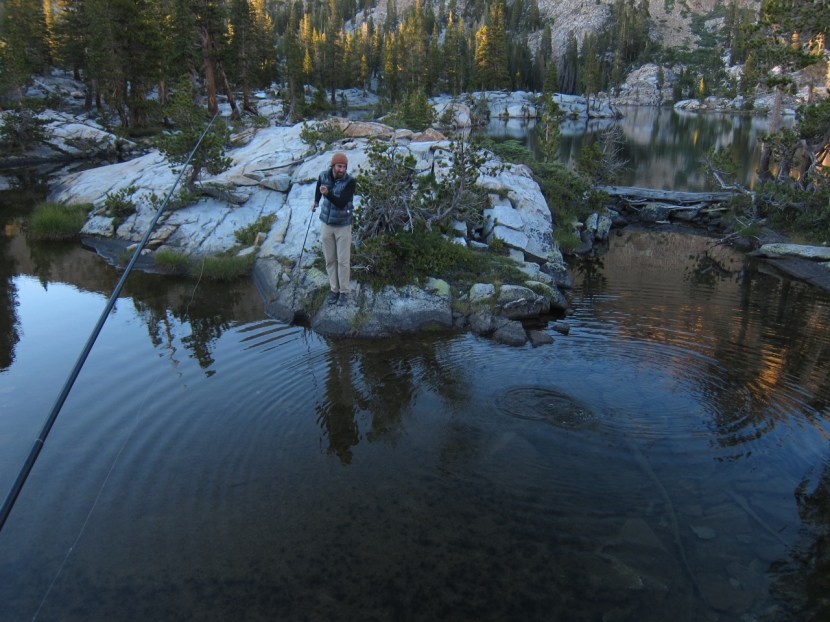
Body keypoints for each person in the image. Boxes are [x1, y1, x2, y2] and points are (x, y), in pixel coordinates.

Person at [311, 151, 356, 306]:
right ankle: (334, 290)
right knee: (330, 259)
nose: (342, 170)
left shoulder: (350, 182)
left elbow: (341, 203)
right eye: (339, 166)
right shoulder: (324, 175)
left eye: (344, 167)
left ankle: (344, 292)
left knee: (343, 261)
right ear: (333, 166)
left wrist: (327, 194)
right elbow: (319, 185)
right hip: (326, 224)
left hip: (343, 225)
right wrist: (316, 201)